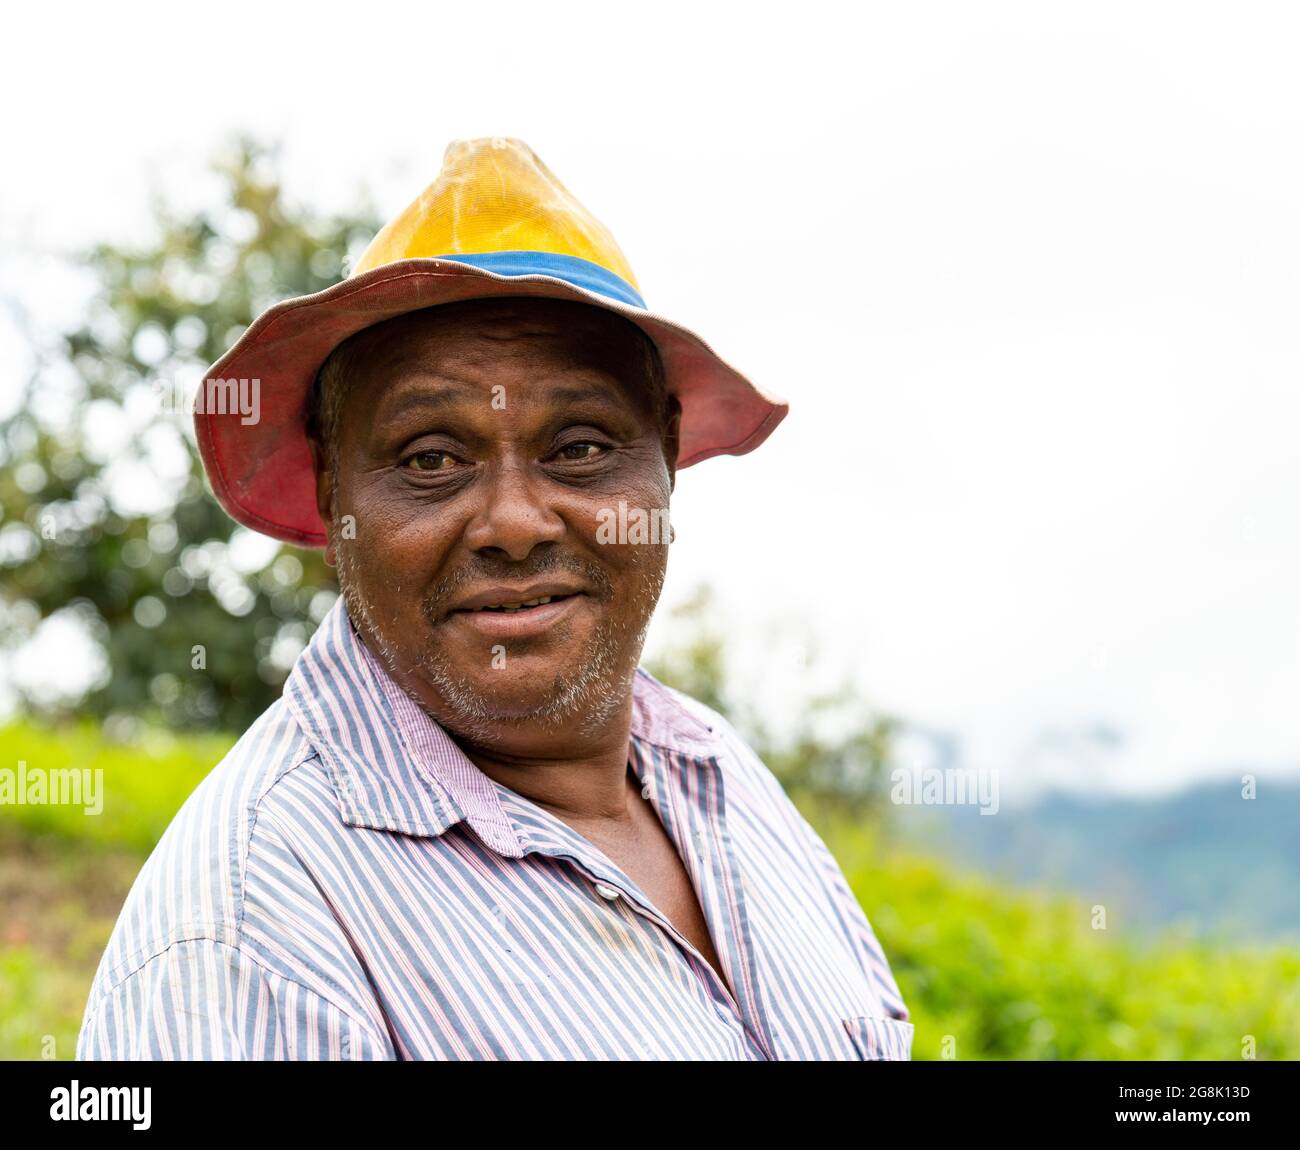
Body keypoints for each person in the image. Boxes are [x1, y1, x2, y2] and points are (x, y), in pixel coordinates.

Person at [76, 137, 911, 1060]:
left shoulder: (721, 778)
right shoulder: (249, 936)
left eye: (582, 446)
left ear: (665, 458)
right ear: (333, 493)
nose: (514, 522)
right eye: (431, 458)